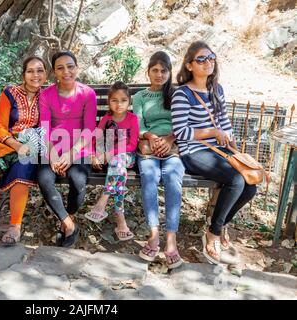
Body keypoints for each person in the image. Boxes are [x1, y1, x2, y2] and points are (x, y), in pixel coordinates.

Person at [171, 41, 257, 264]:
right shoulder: (182, 94)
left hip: (219, 150)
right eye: (201, 59)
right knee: (236, 180)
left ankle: (216, 224)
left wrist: (236, 151)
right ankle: (213, 233)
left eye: (211, 57)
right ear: (189, 65)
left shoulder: (217, 89)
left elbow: (225, 124)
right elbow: (181, 132)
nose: (208, 62)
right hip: (193, 151)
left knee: (250, 184)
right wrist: (211, 131)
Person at [0, 56, 47, 251]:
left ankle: (15, 226)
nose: (35, 75)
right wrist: (15, 145)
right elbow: (0, 128)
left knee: (23, 170)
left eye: (39, 70)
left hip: (31, 146)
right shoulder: (10, 93)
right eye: (30, 71)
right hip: (7, 144)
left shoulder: (47, 97)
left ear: (46, 74)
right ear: (23, 74)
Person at [38, 51, 97, 248]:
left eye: (70, 66)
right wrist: (54, 156)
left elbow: (89, 130)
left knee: (77, 179)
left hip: (80, 149)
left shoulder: (88, 94)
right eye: (60, 68)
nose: (66, 72)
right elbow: (44, 130)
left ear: (77, 68)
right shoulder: (46, 95)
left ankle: (67, 216)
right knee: (44, 178)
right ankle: (69, 225)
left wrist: (70, 156)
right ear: (54, 72)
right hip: (53, 147)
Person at [133, 51, 184, 269]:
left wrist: (169, 138)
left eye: (164, 70)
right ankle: (153, 235)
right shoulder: (140, 97)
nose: (159, 74)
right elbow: (138, 126)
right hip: (148, 146)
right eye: (155, 70)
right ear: (148, 72)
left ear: (170, 72)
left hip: (174, 146)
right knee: (149, 176)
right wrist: (153, 138)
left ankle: (171, 240)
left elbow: (183, 123)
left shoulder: (177, 95)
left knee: (172, 179)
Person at [85, 81, 139, 242]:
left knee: (118, 161)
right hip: (113, 161)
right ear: (109, 101)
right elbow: (94, 139)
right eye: (114, 100)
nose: (119, 104)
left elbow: (131, 145)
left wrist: (109, 154)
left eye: (123, 100)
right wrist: (94, 154)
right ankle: (120, 219)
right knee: (118, 169)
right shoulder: (106, 118)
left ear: (129, 101)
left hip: (128, 156)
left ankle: (104, 199)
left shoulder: (132, 119)